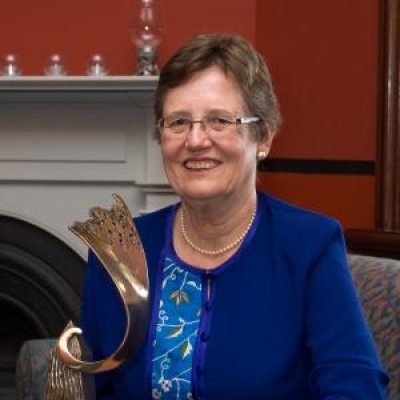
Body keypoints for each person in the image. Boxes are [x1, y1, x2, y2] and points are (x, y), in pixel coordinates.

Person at [81, 33, 389, 399]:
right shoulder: (117, 251)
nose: (195, 140)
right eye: (178, 122)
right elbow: (95, 387)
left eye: (219, 120)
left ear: (264, 138)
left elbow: (356, 386)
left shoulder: (309, 245)